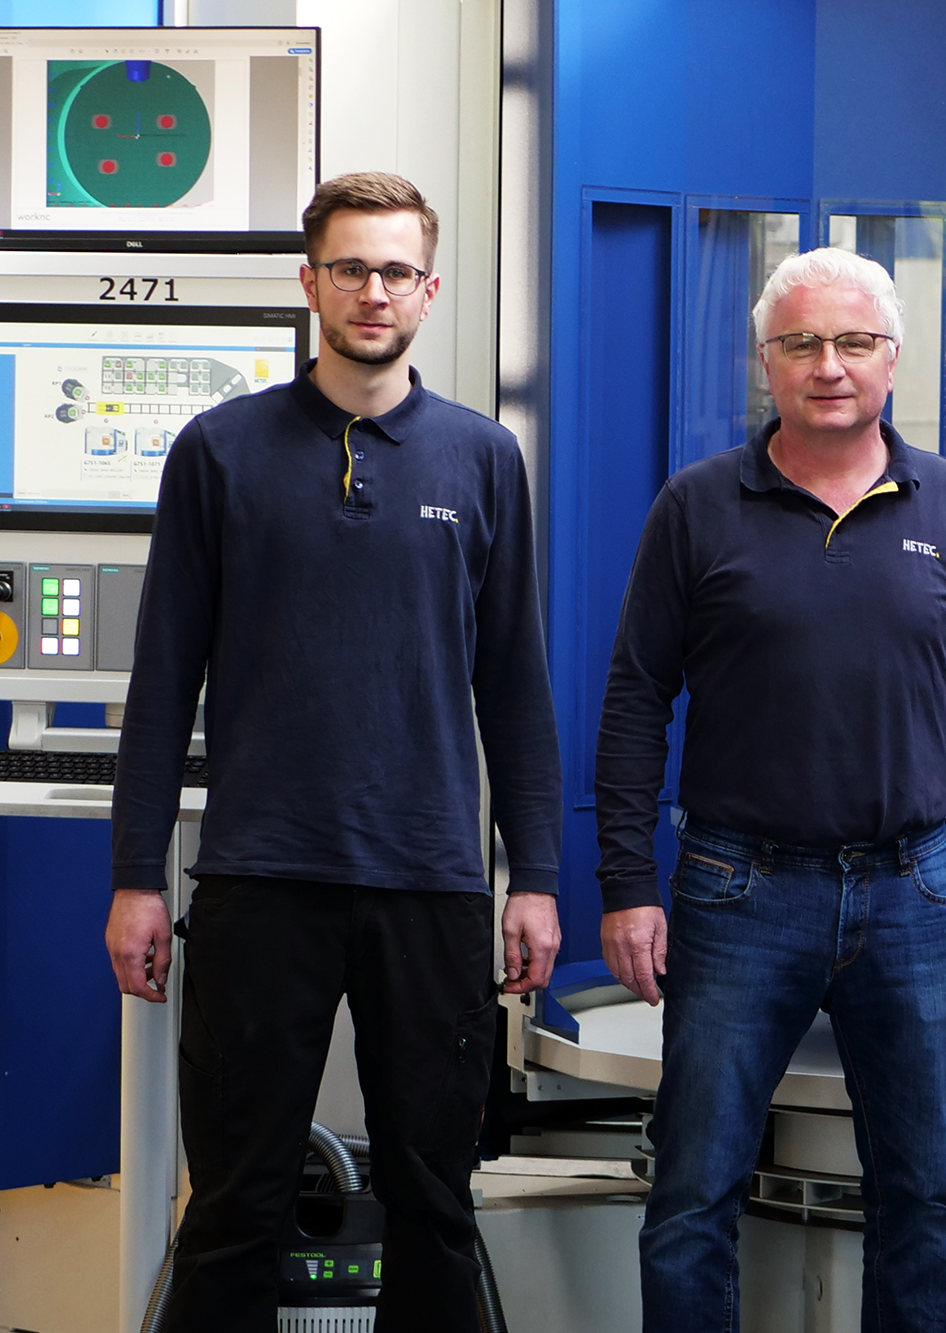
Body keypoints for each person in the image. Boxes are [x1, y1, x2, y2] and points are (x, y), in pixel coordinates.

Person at [105, 172, 564, 1332]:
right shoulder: (219, 452)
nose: (373, 291)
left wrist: (540, 878)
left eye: (396, 270)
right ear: (308, 282)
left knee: (433, 1203)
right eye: (349, 267)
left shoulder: (481, 459)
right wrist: (133, 878)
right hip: (262, 881)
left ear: (430, 288)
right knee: (234, 1208)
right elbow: (161, 683)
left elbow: (514, 684)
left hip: (430, 886)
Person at [592, 246, 946, 1333]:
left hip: (914, 894)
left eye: (851, 342)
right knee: (693, 1195)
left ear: (892, 360)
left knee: (922, 1201)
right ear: (764, 361)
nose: (826, 364)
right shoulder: (698, 506)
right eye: (800, 343)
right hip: (738, 892)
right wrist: (626, 883)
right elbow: (635, 698)